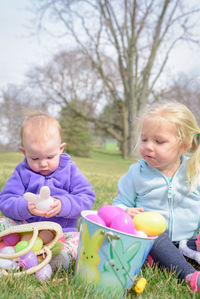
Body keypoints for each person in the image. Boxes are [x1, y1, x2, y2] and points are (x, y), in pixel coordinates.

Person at [113, 101, 200, 294]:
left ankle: (176, 259)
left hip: (188, 242)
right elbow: (118, 204)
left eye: (158, 142)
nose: (148, 147)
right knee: (153, 235)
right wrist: (126, 211)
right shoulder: (137, 173)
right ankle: (189, 275)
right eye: (144, 139)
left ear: (183, 145)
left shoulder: (194, 172)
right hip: (153, 241)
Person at [0, 113, 96, 270]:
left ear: (61, 149)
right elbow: (5, 200)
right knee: (3, 224)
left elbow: (86, 198)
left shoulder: (70, 170)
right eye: (35, 158)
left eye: (50, 157)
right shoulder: (21, 172)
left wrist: (63, 205)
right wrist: (25, 207)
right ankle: (16, 252)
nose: (43, 164)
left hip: (62, 233)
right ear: (24, 153)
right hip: (25, 228)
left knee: (80, 241)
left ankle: (56, 258)